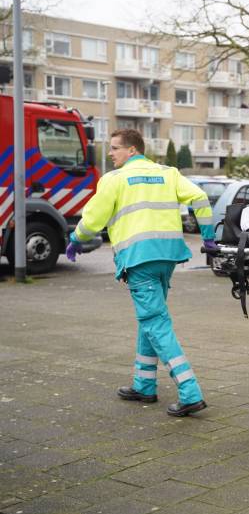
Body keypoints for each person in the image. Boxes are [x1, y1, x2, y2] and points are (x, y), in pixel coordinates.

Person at [66, 129, 214, 417]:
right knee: (150, 318)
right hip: (168, 257)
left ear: (131, 150)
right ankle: (144, 385)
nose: (110, 154)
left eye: (115, 148)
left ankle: (190, 392)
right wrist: (207, 236)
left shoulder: (114, 179)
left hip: (138, 260)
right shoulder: (168, 173)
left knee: (156, 322)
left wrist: (75, 239)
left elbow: (93, 218)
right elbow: (200, 198)